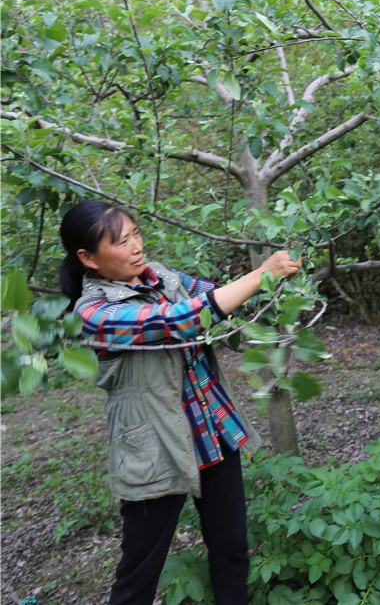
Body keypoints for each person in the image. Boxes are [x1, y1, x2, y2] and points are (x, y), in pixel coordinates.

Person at [58, 199, 303, 605]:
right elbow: (179, 321)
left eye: (136, 234)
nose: (137, 247)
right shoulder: (95, 313)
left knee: (231, 548)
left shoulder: (164, 278)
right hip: (154, 447)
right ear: (88, 257)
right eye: (121, 242)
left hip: (212, 430)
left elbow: (222, 302)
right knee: (139, 574)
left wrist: (279, 283)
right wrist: (262, 274)